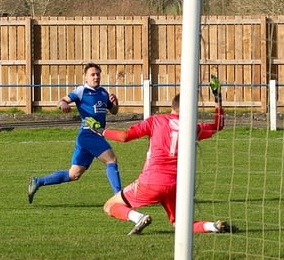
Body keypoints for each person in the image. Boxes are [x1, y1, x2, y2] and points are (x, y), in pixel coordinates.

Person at [99, 77, 236, 235]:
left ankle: (138, 217)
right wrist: (217, 97)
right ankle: (213, 226)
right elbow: (218, 125)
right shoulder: (193, 128)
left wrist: (102, 131)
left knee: (110, 205)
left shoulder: (156, 121)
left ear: (173, 105)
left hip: (151, 181)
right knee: (180, 224)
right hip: (176, 185)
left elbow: (124, 137)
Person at [27, 62, 123, 203]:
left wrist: (116, 103)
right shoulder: (81, 91)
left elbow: (113, 112)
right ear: (85, 77)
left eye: (98, 74)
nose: (96, 77)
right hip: (88, 134)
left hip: (90, 137)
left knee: (74, 174)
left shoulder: (103, 92)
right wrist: (63, 104)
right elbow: (61, 101)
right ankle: (119, 197)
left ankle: (38, 181)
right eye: (92, 75)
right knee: (111, 160)